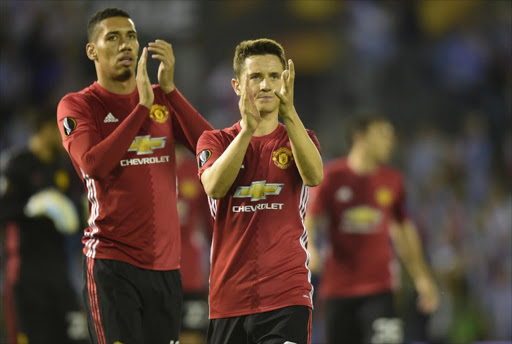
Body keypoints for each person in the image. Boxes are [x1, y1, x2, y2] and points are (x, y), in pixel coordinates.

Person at [56, 8, 212, 344]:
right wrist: (141, 107)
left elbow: (210, 149)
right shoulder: (79, 105)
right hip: (113, 264)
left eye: (130, 36)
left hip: (167, 269)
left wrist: (169, 91)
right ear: (92, 51)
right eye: (112, 37)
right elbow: (92, 164)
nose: (125, 44)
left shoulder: (161, 99)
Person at [196, 38, 323, 344]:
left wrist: (290, 114)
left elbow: (315, 176)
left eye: (274, 76)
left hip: (287, 296)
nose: (266, 85)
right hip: (229, 299)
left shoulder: (300, 139)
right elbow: (215, 186)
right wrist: (248, 131)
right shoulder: (213, 141)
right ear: (237, 85)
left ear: (285, 81)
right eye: (255, 77)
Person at [305, 115, 439, 344]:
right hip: (338, 290)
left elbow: (404, 231)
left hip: (381, 290)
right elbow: (310, 217)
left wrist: (422, 277)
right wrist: (310, 247)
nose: (390, 142)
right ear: (360, 137)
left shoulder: (392, 180)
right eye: (383, 135)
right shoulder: (332, 176)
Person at [1, 111, 88, 344]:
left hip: (59, 271)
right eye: (59, 131)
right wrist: (32, 208)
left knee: (76, 336)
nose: (63, 138)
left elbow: (76, 220)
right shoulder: (17, 164)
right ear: (45, 129)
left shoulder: (63, 169)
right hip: (25, 273)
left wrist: (78, 215)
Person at [175, 144, 213, 343]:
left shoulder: (195, 171)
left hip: (190, 275)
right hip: (153, 272)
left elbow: (213, 227)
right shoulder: (142, 166)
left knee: (192, 337)